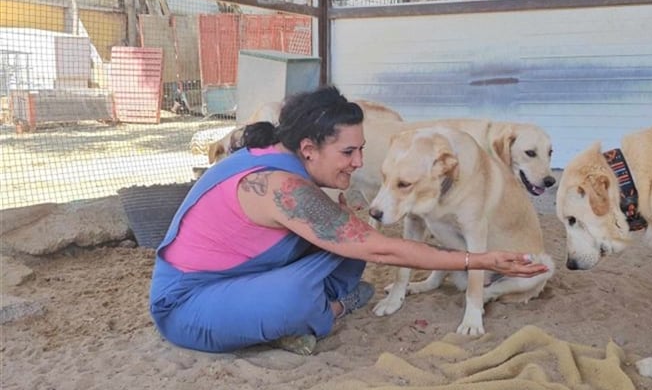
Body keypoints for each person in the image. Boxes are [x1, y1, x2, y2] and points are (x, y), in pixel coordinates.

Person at [149, 85, 549, 355]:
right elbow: (382, 249)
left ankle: (315, 301)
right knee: (304, 288)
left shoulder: (282, 156)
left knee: (348, 236)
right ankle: (330, 310)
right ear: (308, 148)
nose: (358, 163)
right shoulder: (281, 187)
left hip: (242, 274)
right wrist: (477, 261)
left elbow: (363, 243)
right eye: (348, 153)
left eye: (361, 150)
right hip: (187, 305)